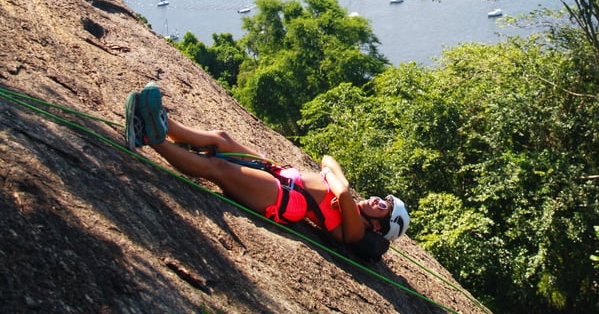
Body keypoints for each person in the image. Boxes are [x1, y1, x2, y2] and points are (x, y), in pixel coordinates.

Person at [124, 83, 409, 250]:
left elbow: (344, 193)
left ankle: (150, 137)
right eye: (382, 199)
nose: (376, 199)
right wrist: (334, 178)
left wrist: (339, 184)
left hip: (284, 198)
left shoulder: (357, 230)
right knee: (222, 139)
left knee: (218, 169)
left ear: (377, 225)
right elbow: (327, 160)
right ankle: (161, 120)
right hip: (279, 175)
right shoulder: (347, 200)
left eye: (383, 206)